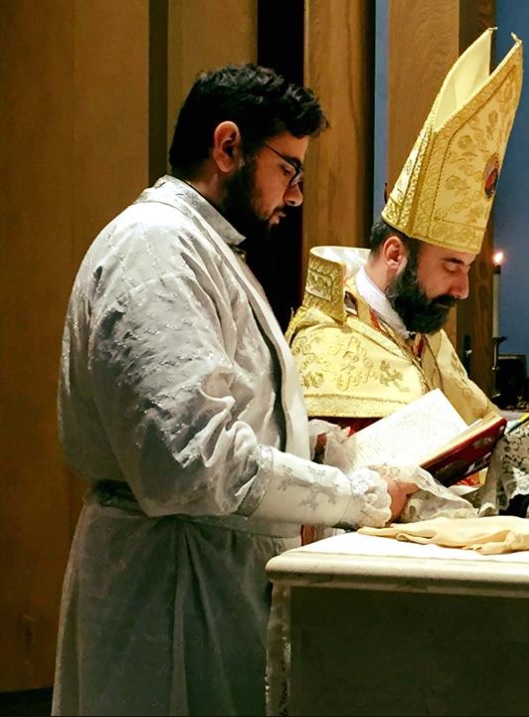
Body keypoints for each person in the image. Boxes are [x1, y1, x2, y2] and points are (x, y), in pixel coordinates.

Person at [53, 64, 419, 716]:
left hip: (206, 579)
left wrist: (318, 446)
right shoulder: (156, 250)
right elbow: (189, 459)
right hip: (167, 594)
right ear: (228, 147)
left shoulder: (205, 248)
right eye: (289, 169)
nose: (297, 194)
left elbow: (233, 413)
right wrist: (354, 496)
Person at [286, 30, 522, 444]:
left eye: (466, 268)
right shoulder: (325, 342)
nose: (463, 289)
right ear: (395, 253)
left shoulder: (424, 333)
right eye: (451, 265)